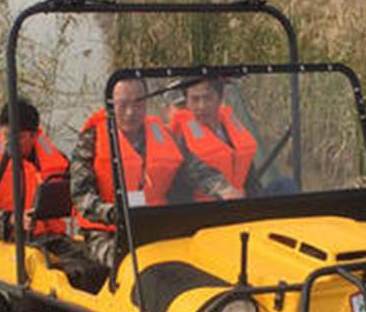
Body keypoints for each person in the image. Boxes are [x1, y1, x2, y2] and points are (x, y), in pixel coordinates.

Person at [71, 78, 240, 267]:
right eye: (123, 105)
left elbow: (194, 168)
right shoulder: (92, 138)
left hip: (154, 224)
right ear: (110, 105)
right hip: (106, 230)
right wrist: (111, 212)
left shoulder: (162, 134)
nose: (130, 112)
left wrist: (223, 188)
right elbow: (80, 194)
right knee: (128, 265)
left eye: (138, 103)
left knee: (201, 260)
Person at [0, 98, 69, 240]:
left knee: (88, 260)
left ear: (34, 136)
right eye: (6, 136)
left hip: (50, 240)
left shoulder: (59, 161)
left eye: (18, 138)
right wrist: (12, 220)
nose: (9, 143)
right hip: (6, 243)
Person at [170, 77, 261, 200]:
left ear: (220, 99)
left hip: (241, 203)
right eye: (195, 99)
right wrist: (222, 188)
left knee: (284, 185)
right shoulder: (182, 135)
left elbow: (250, 178)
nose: (201, 106)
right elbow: (195, 170)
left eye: (207, 98)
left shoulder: (231, 128)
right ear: (187, 102)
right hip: (206, 210)